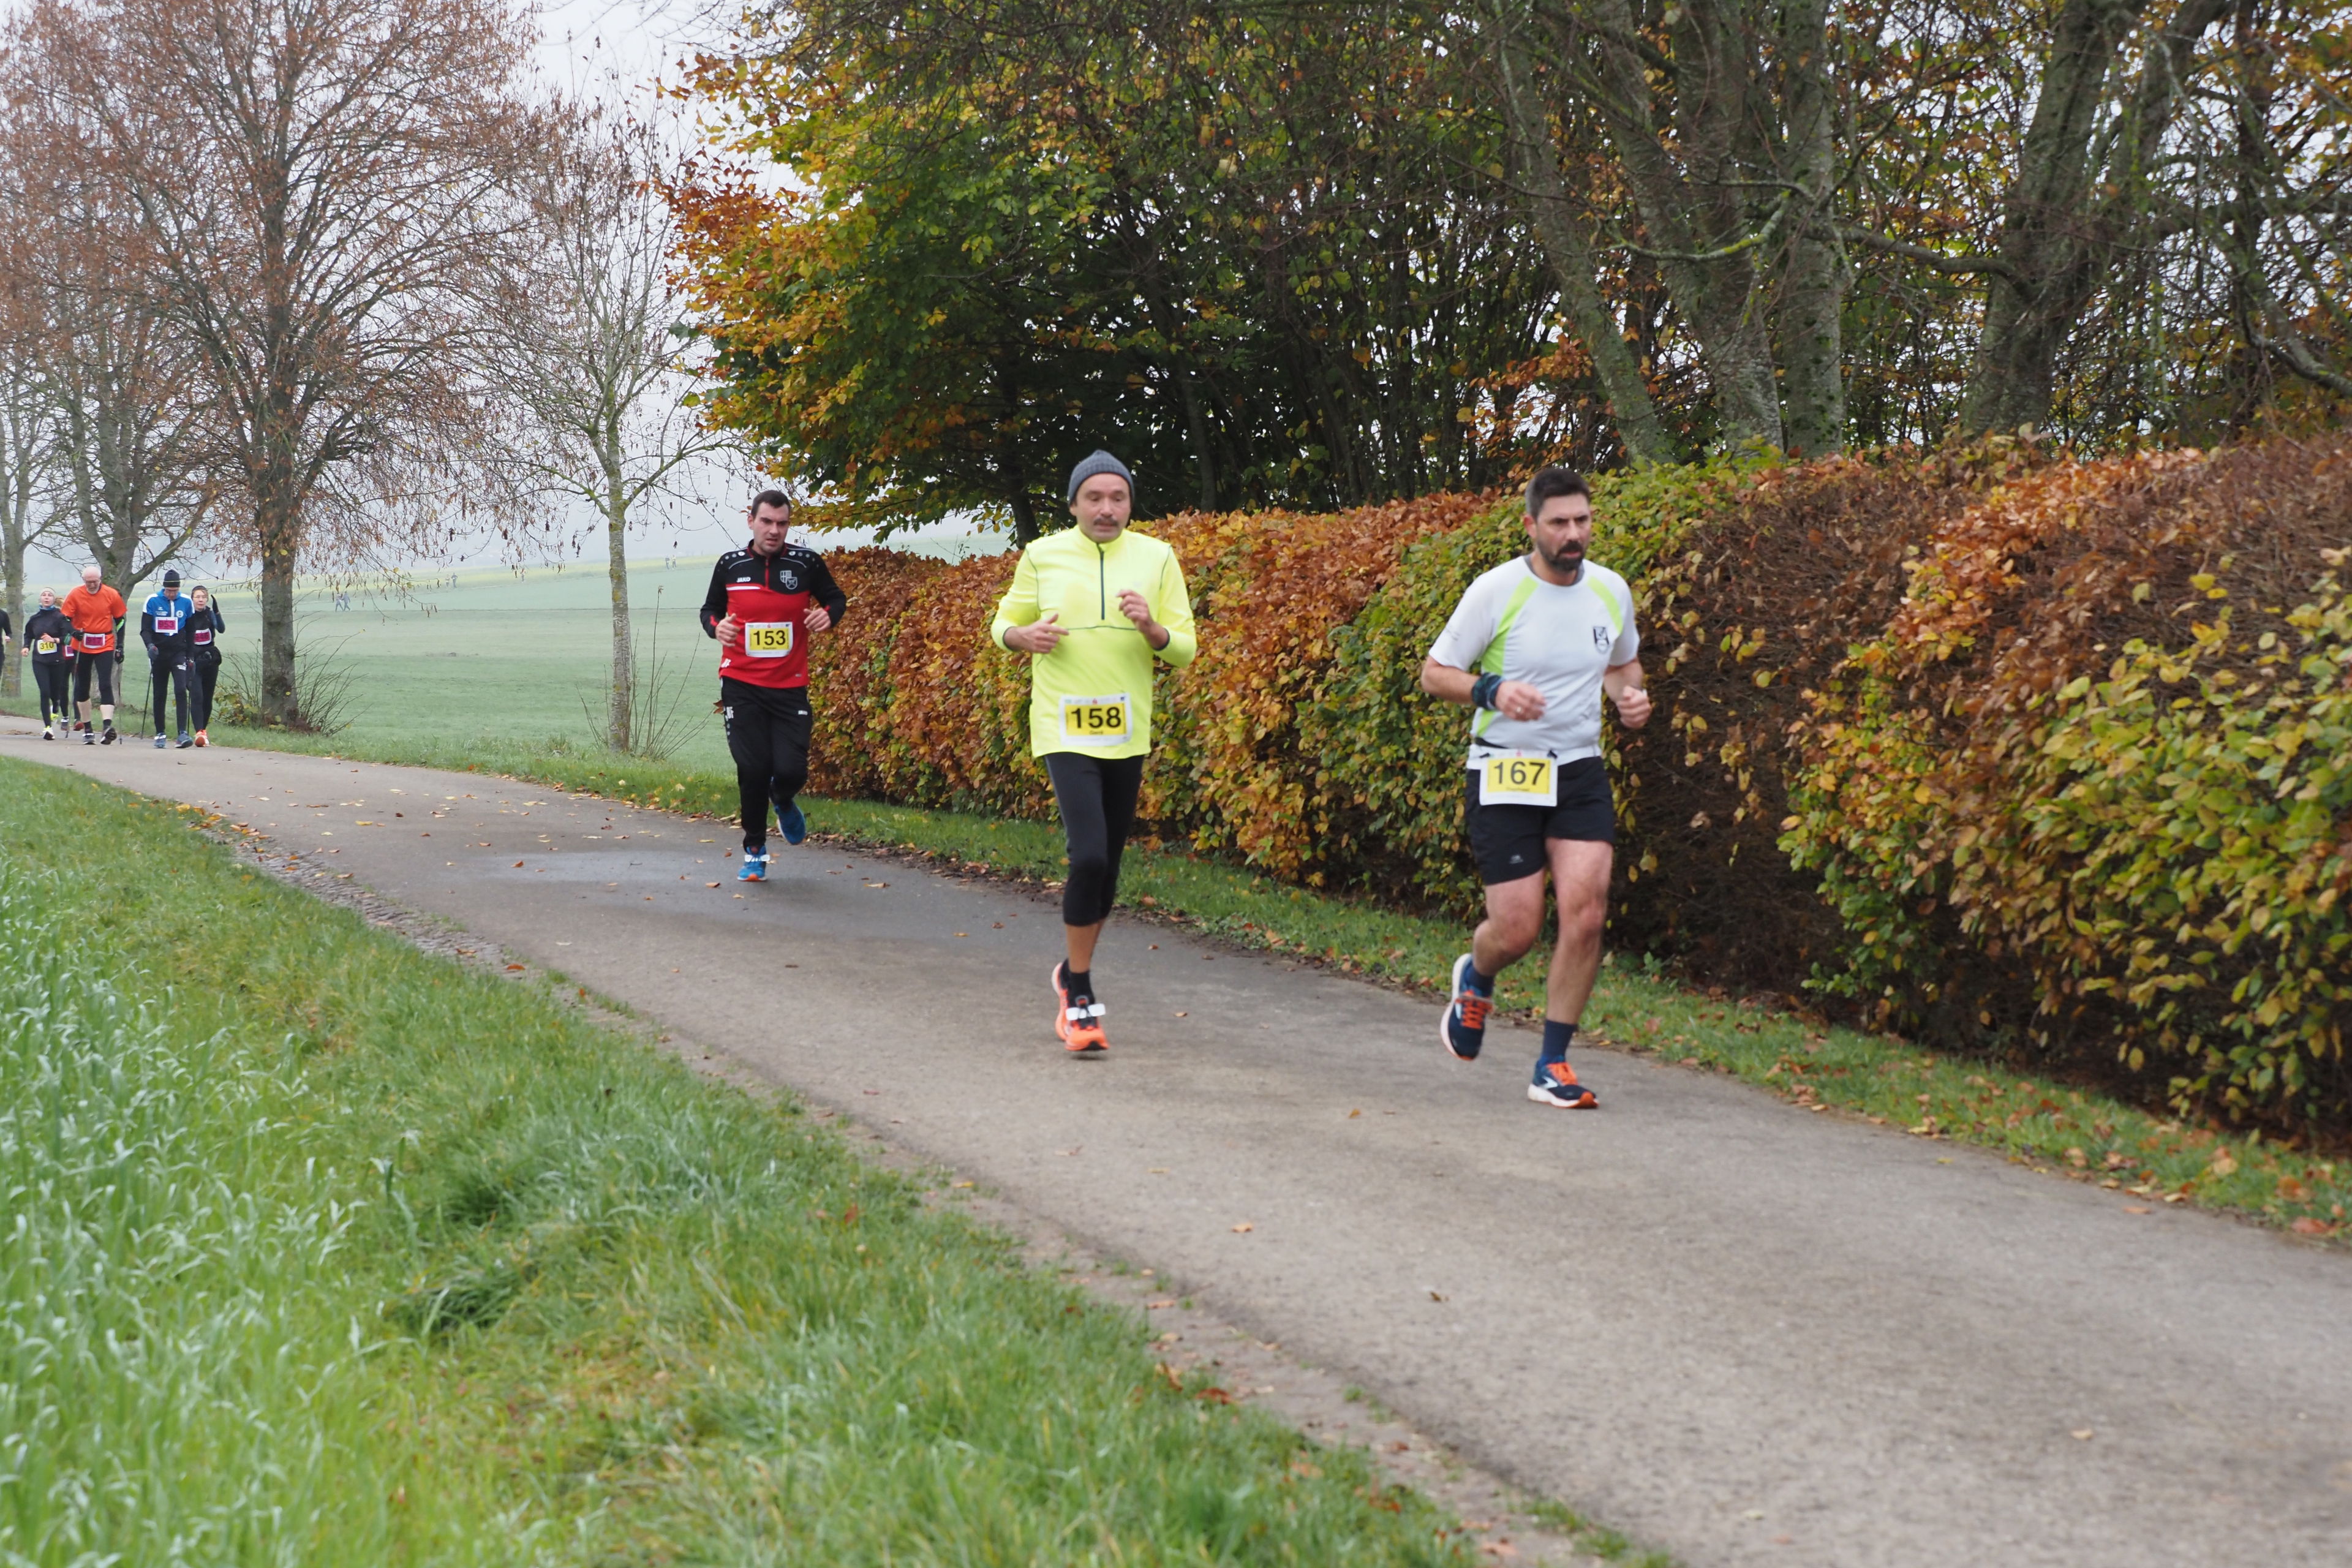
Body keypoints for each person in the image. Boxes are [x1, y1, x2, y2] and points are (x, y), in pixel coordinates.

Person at [1420, 466, 1651, 1108]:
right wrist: (1491, 690)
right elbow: (1435, 674)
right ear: (1531, 526)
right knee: (1517, 930)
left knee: (1587, 913)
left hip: (1579, 770)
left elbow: (1622, 664)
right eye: (1559, 523)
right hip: (1505, 768)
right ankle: (1477, 973)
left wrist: (1630, 698)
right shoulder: (1497, 590)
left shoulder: (1610, 590)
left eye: (1582, 520)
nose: (1573, 533)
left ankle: (1552, 1063)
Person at [990, 451, 1198, 1054]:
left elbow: (1184, 648)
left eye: (1118, 498)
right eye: (1095, 498)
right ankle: (1079, 993)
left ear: (1130, 503)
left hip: (1126, 730)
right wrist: (1023, 636)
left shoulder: (1157, 557)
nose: (1107, 509)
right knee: (1087, 856)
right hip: (1064, 726)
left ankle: (1069, 970)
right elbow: (1003, 625)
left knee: (1106, 865)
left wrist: (1152, 629)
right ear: (1074, 504)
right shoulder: (1042, 554)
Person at [699, 489, 847, 883]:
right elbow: (710, 610)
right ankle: (754, 851)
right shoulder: (731, 565)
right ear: (751, 521)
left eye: (782, 524)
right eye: (766, 522)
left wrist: (828, 616)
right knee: (752, 768)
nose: (774, 531)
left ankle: (782, 799)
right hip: (741, 683)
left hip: (789, 686)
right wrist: (718, 628)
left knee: (791, 770)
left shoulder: (805, 563)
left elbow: (835, 599)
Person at [61, 564, 127, 745]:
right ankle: (88, 729)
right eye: (88, 582)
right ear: (83, 581)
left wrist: (120, 646)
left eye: (95, 582)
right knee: (82, 686)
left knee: (105, 683)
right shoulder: (75, 594)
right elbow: (65, 619)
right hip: (82, 644)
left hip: (105, 642)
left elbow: (120, 621)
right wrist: (73, 632)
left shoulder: (111, 594)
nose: (92, 585)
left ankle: (107, 727)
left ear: (100, 580)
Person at [141, 568, 196, 749]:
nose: (172, 594)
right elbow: (145, 629)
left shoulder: (186, 602)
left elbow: (191, 631)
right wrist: (150, 646)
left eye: (175, 591)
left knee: (181, 689)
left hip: (178, 652)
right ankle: (160, 733)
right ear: (164, 588)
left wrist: (190, 656)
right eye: (169, 591)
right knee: (160, 693)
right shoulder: (152, 600)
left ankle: (182, 733)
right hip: (159, 653)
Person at [23, 589, 73, 739]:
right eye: (44, 595)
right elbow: (28, 635)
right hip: (39, 661)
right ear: (40, 599)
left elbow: (69, 638)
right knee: (44, 692)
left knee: (55, 693)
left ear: (53, 599)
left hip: (57, 661)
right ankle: (48, 728)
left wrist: (55, 640)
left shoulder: (60, 617)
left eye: (50, 595)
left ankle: (56, 705)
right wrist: (26, 647)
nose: (46, 597)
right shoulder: (35, 619)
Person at [186, 584, 225, 745]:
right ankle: (199, 732)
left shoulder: (210, 614)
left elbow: (221, 629)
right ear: (192, 599)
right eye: (198, 597)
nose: (201, 600)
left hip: (209, 660)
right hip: (193, 661)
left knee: (207, 698)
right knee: (197, 696)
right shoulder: (187, 615)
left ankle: (203, 731)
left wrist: (217, 612)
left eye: (204, 597)